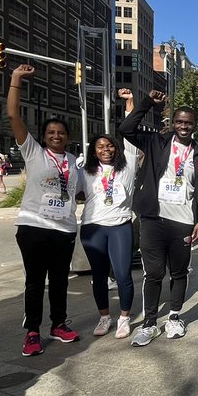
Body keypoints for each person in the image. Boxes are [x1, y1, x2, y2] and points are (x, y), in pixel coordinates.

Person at [118, 88, 198, 346]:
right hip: (153, 219)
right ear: (173, 123)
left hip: (183, 222)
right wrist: (147, 103)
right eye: (179, 121)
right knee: (154, 273)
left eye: (188, 123)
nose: (183, 126)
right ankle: (149, 323)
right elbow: (126, 128)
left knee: (179, 272)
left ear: (194, 127)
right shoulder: (156, 142)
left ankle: (174, 316)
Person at [7, 64, 83, 357]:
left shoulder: (74, 162)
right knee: (35, 281)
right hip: (33, 227)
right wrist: (15, 79)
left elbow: (79, 192)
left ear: (67, 136)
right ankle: (32, 332)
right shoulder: (33, 152)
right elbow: (14, 115)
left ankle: (59, 324)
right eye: (51, 132)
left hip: (63, 230)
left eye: (61, 132)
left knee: (60, 281)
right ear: (44, 136)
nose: (56, 136)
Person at [80, 126, 140, 341]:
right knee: (99, 277)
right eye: (100, 146)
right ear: (94, 151)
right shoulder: (85, 171)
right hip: (92, 227)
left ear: (117, 148)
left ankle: (124, 317)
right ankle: (104, 317)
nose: (106, 149)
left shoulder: (127, 167)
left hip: (120, 226)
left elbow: (131, 139)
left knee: (123, 274)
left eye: (110, 145)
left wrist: (130, 103)